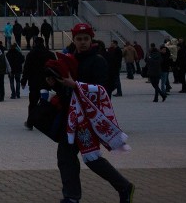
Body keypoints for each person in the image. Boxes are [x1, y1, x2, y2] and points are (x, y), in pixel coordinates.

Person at [49, 22, 134, 203]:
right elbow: (66, 88)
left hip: (87, 121)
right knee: (65, 157)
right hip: (71, 119)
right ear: (74, 39)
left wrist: (75, 85)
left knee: (92, 159)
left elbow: (102, 89)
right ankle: (71, 196)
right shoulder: (69, 58)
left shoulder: (98, 61)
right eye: (79, 39)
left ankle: (124, 186)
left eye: (86, 39)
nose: (82, 42)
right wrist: (55, 83)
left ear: (91, 39)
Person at [21, 36, 53, 130]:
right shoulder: (49, 54)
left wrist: (24, 81)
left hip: (34, 82)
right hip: (46, 82)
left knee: (33, 103)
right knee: (45, 102)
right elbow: (54, 68)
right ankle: (45, 122)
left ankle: (30, 122)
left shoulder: (31, 54)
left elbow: (26, 68)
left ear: (35, 43)